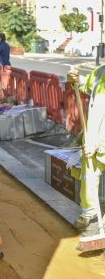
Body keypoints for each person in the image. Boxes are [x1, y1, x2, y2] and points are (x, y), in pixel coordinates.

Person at [68, 67, 105, 233]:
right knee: (89, 177)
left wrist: (97, 143)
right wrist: (76, 80)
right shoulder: (101, 72)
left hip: (98, 141)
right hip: (93, 140)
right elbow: (87, 84)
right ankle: (88, 212)